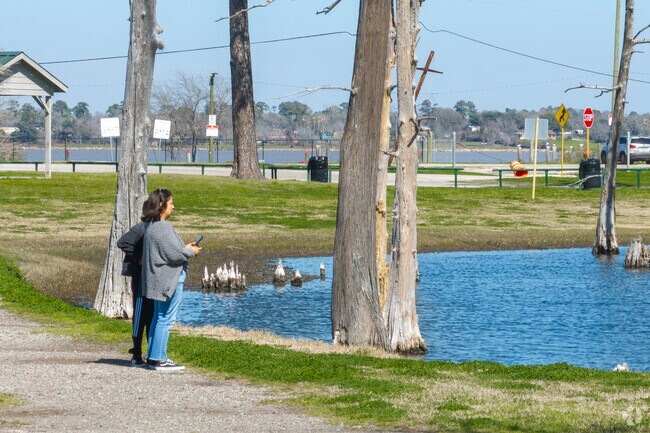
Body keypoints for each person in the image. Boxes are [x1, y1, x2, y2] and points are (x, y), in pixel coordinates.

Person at [141, 188, 201, 371]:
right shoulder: (163, 227)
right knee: (166, 319)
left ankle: (153, 357)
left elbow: (169, 250)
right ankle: (160, 359)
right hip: (168, 281)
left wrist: (183, 247)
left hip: (158, 280)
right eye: (171, 203)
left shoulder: (151, 226)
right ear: (161, 204)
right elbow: (175, 254)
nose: (173, 207)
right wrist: (191, 251)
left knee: (159, 317)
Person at [117, 202, 154, 367]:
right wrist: (138, 258)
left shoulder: (158, 228)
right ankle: (136, 354)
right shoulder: (142, 227)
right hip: (139, 279)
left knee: (152, 316)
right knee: (139, 316)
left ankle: (152, 353)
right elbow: (123, 242)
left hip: (152, 280)